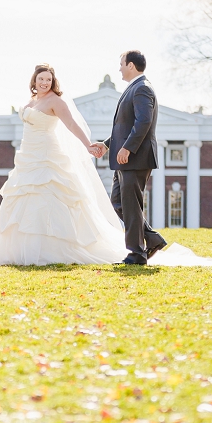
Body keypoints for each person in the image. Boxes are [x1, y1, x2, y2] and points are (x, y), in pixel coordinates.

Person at [0, 64, 128, 265]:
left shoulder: (56, 101)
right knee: (23, 197)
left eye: (48, 80)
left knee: (49, 196)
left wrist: (88, 145)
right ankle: (19, 251)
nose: (44, 83)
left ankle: (52, 250)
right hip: (27, 154)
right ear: (34, 80)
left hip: (46, 154)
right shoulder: (33, 100)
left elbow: (70, 124)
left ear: (53, 82)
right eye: (41, 79)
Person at [90, 50, 167, 265]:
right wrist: (106, 145)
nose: (120, 68)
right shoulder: (134, 88)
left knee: (131, 205)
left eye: (122, 64)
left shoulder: (142, 88)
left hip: (135, 158)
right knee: (118, 202)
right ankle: (151, 239)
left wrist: (127, 149)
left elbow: (143, 122)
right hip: (126, 158)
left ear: (131, 65)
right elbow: (123, 126)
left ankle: (136, 253)